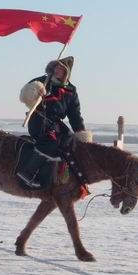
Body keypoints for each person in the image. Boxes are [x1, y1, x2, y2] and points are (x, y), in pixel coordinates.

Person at [18, 56, 91, 187]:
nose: (57, 70)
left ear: (66, 72)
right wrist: (35, 92)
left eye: (61, 68)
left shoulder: (71, 91)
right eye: (56, 67)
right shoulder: (42, 82)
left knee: (70, 144)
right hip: (38, 121)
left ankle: (64, 179)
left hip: (56, 124)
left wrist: (81, 133)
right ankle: (28, 173)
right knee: (50, 143)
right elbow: (24, 96)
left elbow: (75, 115)